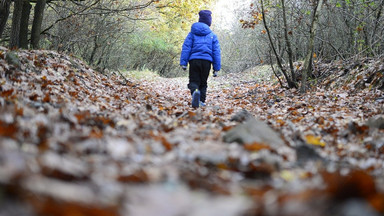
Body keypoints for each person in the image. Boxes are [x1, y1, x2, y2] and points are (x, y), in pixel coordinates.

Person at [180, 10, 221, 108]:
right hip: (207, 62)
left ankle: (195, 92)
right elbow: (216, 52)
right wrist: (216, 68)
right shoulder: (212, 35)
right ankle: (201, 101)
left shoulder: (192, 33)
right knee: (203, 83)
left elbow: (186, 47)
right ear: (209, 22)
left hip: (194, 61)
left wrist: (184, 62)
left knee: (194, 81)